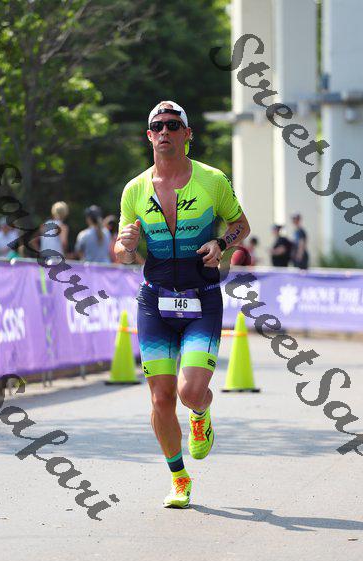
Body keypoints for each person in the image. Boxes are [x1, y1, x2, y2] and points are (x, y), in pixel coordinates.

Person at [115, 100, 250, 509]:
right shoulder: (135, 189)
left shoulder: (212, 180)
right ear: (149, 135)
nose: (165, 132)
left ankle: (200, 414)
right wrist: (126, 246)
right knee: (160, 399)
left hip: (202, 300)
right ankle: (179, 478)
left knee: (190, 393)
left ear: (187, 134)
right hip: (154, 301)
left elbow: (241, 224)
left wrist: (221, 243)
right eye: (158, 126)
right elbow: (121, 251)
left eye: (174, 125)